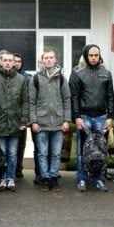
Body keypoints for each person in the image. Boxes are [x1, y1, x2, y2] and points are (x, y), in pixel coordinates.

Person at [69, 44, 114, 192]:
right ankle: (81, 178)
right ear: (86, 56)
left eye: (96, 55)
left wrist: (110, 116)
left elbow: (110, 96)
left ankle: (97, 179)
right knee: (83, 150)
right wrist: (76, 117)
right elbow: (74, 97)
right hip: (84, 117)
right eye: (91, 55)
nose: (94, 58)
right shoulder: (78, 73)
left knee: (99, 150)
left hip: (101, 117)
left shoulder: (106, 74)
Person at [29, 49, 71, 192]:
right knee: (42, 152)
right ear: (42, 61)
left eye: (51, 57)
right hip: (41, 123)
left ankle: (54, 177)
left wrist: (66, 120)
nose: (48, 60)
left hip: (58, 122)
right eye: (46, 58)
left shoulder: (61, 79)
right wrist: (33, 121)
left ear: (55, 60)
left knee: (56, 152)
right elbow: (31, 102)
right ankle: (45, 178)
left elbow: (66, 100)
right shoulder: (35, 79)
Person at [0, 50, 29, 192]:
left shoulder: (21, 80)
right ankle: (2, 178)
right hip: (0, 123)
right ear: (0, 61)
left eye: (10, 60)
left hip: (15, 123)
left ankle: (10, 178)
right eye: (5, 60)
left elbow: (25, 102)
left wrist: (23, 121)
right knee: (2, 153)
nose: (8, 63)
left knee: (12, 153)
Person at [13, 53, 32, 179]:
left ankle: (18, 168)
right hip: (8, 117)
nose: (17, 63)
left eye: (19, 61)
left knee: (20, 145)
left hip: (22, 118)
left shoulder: (28, 78)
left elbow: (29, 100)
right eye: (15, 61)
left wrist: (26, 119)